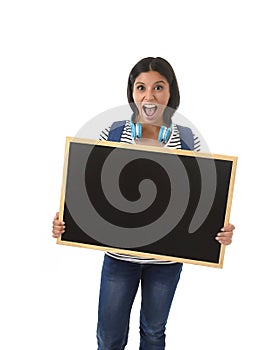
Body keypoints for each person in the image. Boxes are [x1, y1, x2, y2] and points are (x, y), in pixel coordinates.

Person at [52, 57, 235, 350]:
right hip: (118, 260)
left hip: (166, 264)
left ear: (170, 92)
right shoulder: (112, 134)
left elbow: (203, 206)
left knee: (153, 333)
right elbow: (88, 195)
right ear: (132, 93)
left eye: (158, 87)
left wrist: (220, 229)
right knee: (109, 338)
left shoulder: (188, 141)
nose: (149, 96)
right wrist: (66, 220)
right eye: (141, 87)